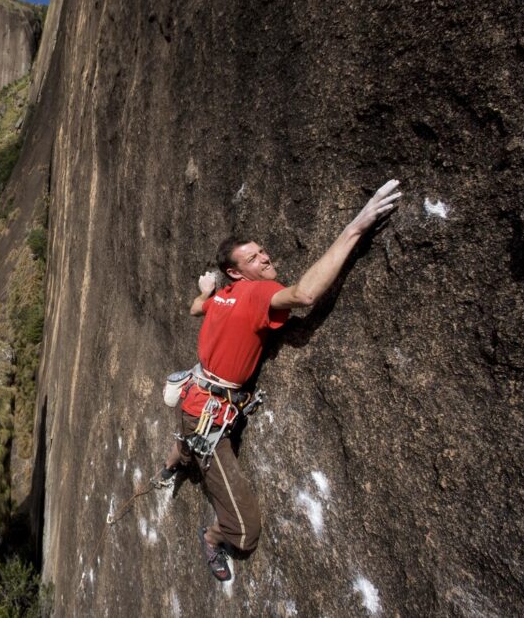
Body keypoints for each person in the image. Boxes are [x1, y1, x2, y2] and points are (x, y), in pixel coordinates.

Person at [160, 179, 402, 582]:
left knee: (188, 440)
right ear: (236, 272)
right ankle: (213, 537)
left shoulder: (220, 296)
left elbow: (194, 308)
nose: (265, 259)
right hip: (208, 412)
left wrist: (204, 291)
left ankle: (171, 465)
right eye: (253, 259)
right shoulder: (255, 294)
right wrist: (356, 227)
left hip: (196, 401)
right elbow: (305, 295)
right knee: (246, 530)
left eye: (262, 251)